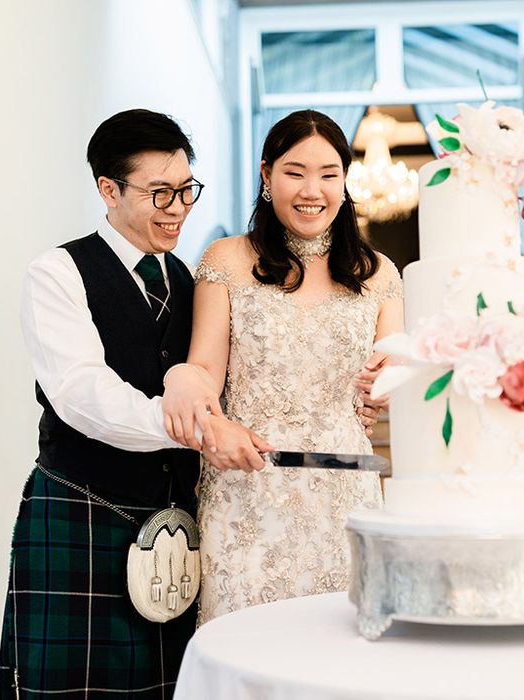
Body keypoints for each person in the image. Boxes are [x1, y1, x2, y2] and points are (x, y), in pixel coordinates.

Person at [0, 109, 272, 699]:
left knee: (167, 688)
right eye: (160, 193)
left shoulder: (197, 283)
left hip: (177, 525)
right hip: (83, 513)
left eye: (187, 189)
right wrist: (190, 429)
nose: (178, 208)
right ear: (109, 189)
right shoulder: (58, 274)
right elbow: (81, 394)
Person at [162, 109, 404, 624]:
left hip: (346, 490)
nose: (311, 189)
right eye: (295, 172)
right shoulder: (226, 260)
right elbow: (205, 367)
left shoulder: (379, 273)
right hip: (247, 489)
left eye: (328, 174)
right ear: (267, 176)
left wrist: (386, 385)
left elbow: (392, 374)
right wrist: (188, 386)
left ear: (345, 181)